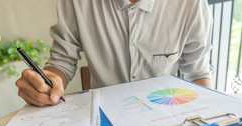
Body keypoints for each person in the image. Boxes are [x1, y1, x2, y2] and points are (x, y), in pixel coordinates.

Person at [16, 0, 213, 107]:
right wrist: (48, 82)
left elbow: (197, 74)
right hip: (103, 122)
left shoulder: (191, 4)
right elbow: (62, 61)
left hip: (166, 116)